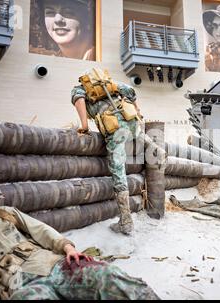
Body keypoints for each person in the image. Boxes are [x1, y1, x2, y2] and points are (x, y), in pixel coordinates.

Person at [0, 171, 160, 300]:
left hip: (55, 266)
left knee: (109, 276)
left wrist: (67, 248)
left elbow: (42, 231)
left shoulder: (7, 215)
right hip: (24, 291)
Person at [71, 69, 166, 235]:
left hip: (113, 127)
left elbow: (78, 100)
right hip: (129, 120)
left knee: (118, 170)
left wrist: (84, 125)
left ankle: (126, 221)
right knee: (138, 134)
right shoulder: (111, 84)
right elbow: (131, 91)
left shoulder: (80, 89)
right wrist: (137, 110)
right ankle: (156, 149)